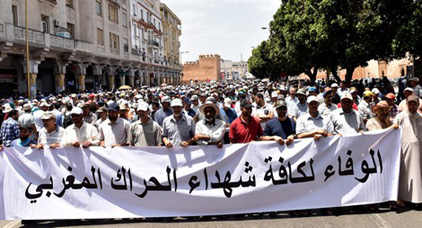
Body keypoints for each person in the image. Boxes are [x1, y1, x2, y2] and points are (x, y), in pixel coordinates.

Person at [393, 95, 422, 205]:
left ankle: (418, 198)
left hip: (419, 151)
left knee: (418, 173)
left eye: (414, 103)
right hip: (405, 151)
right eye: (410, 103)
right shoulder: (401, 117)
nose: (412, 106)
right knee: (406, 174)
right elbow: (393, 130)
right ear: (407, 104)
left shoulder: (420, 117)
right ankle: (405, 198)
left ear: (418, 104)